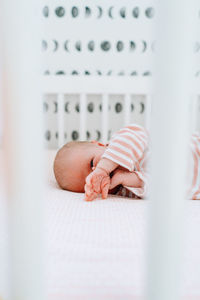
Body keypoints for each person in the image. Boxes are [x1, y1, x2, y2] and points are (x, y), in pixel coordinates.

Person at [53, 124, 200, 201]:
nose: (95, 175)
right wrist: (128, 179)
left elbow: (132, 138)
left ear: (99, 144)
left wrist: (103, 168)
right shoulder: (126, 191)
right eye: (89, 184)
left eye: (92, 164)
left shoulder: (124, 139)